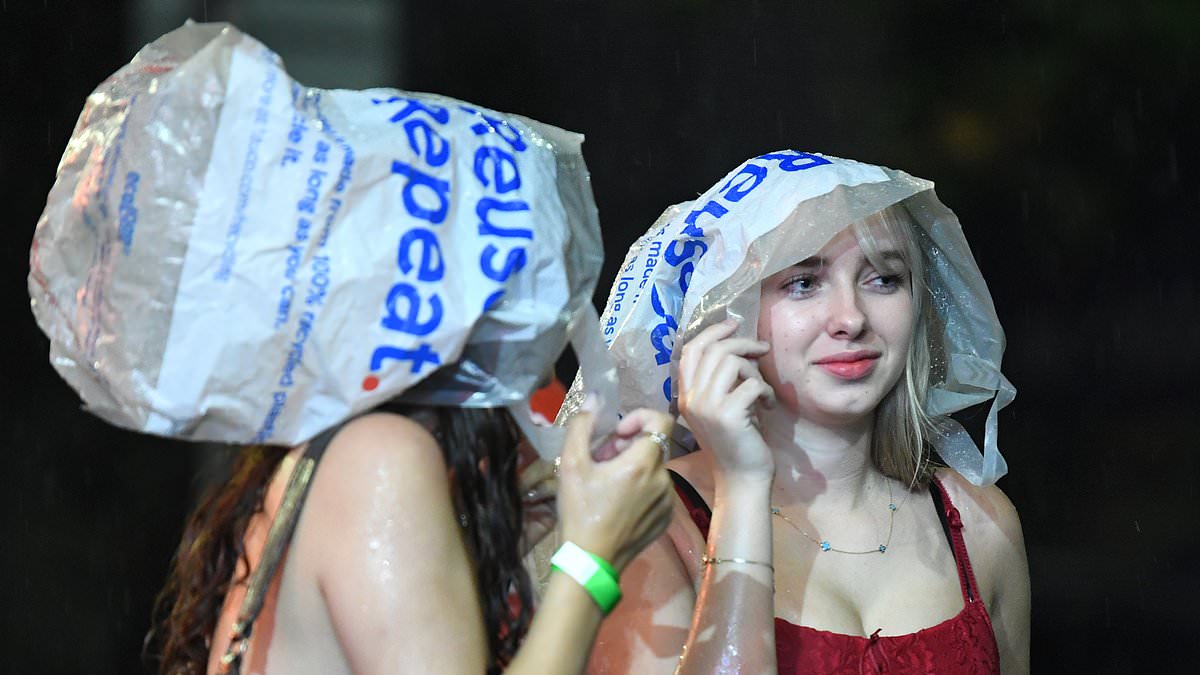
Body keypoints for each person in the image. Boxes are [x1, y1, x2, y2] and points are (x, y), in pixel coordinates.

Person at [577, 152, 1031, 674]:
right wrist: (742, 486)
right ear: (730, 313)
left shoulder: (981, 525)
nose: (851, 318)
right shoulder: (649, 522)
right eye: (803, 282)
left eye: (883, 278)